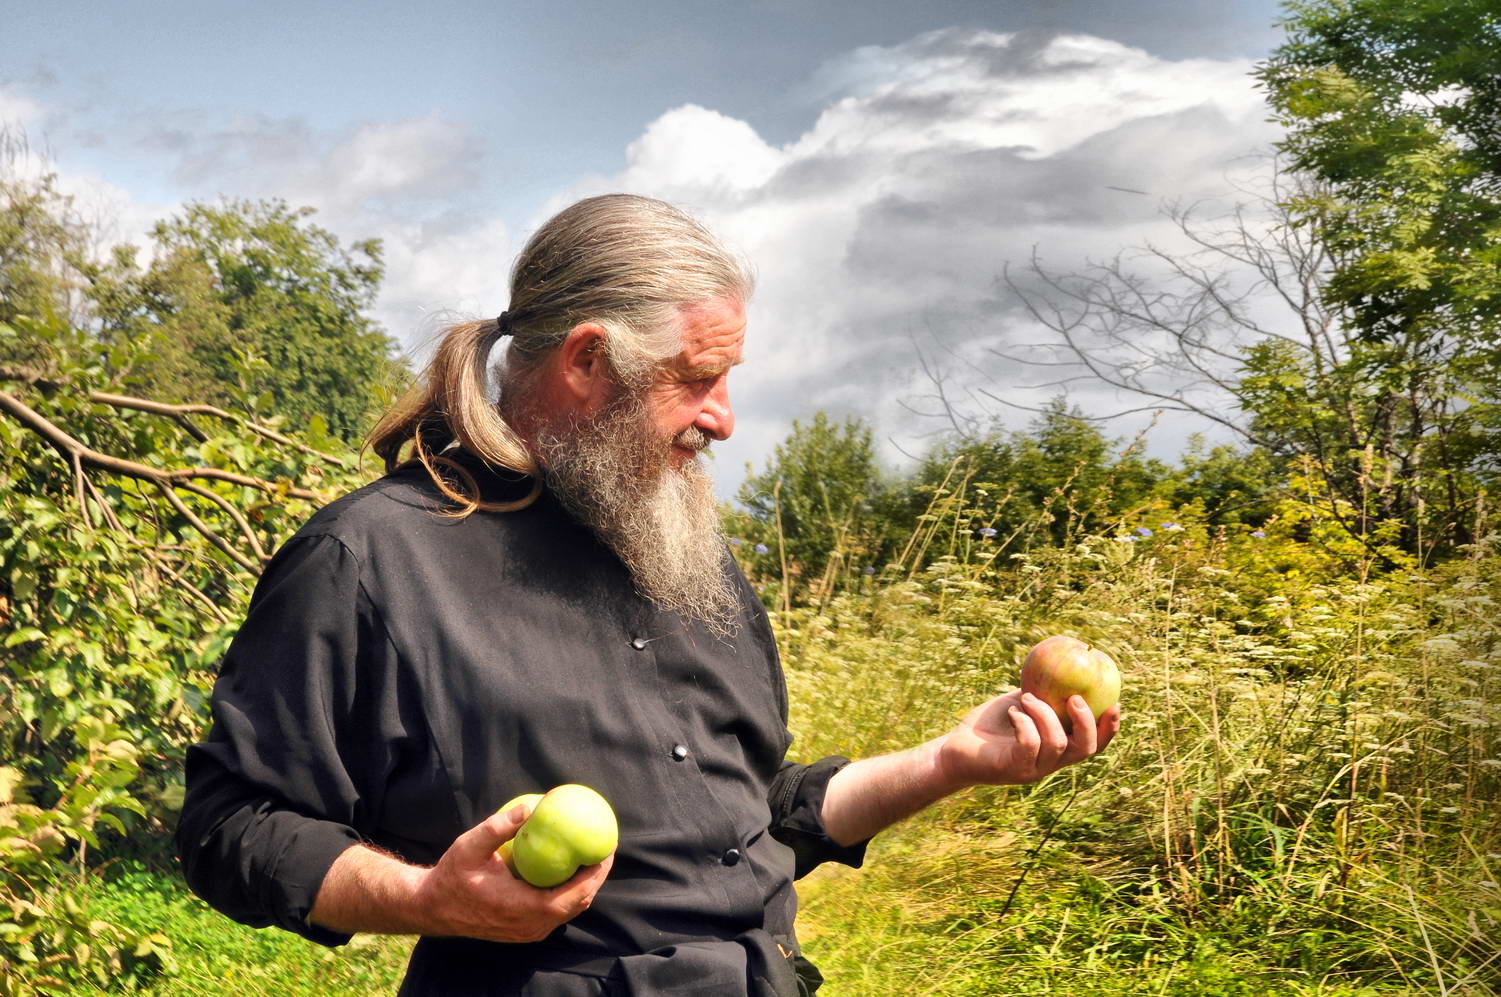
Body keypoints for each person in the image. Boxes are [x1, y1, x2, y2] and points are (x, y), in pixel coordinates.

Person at [176, 193, 1121, 997]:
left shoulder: (679, 544)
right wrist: (429, 901)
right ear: (587, 360)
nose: (723, 417)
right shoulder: (369, 558)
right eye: (697, 379)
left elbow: (751, 815)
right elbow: (233, 827)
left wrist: (955, 759)